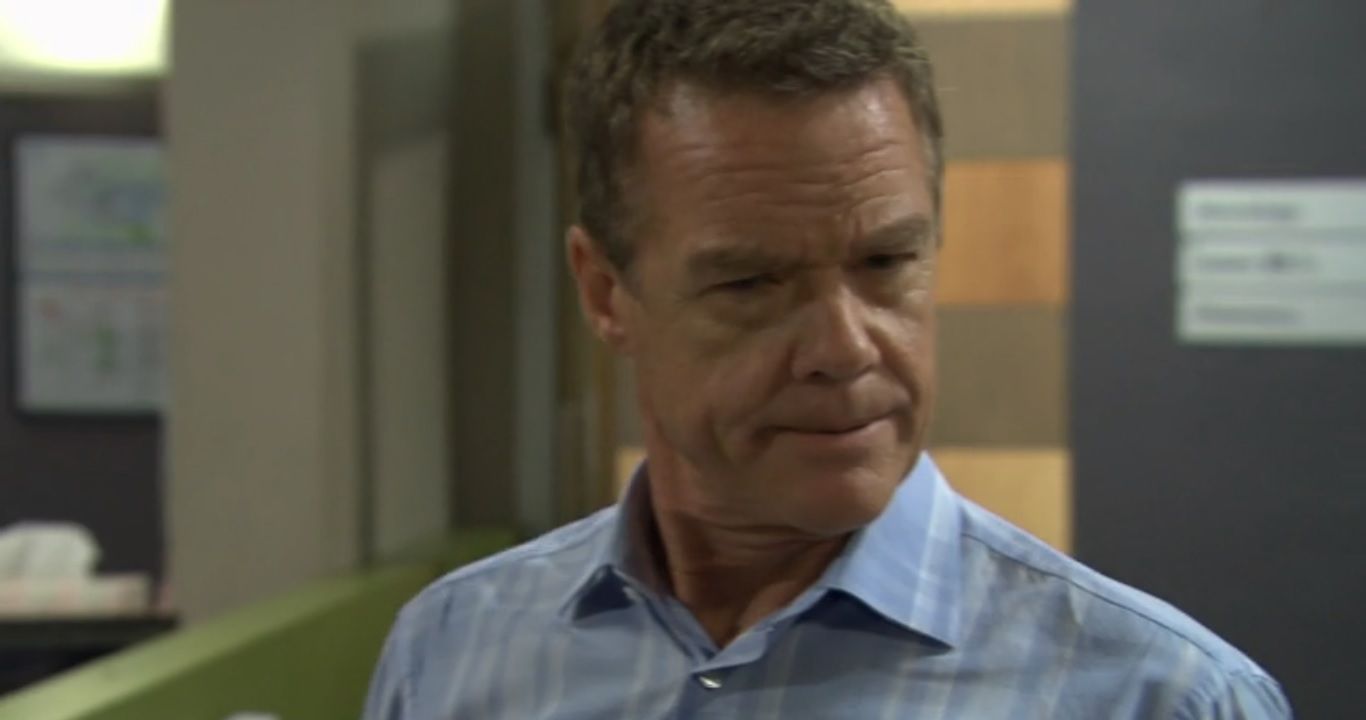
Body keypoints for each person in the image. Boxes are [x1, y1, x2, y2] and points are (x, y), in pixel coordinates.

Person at [364, 0, 1291, 717]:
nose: (844, 348)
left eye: (886, 264)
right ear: (606, 293)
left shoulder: (1159, 696)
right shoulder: (454, 650)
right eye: (751, 283)